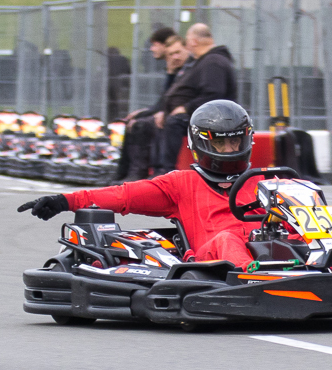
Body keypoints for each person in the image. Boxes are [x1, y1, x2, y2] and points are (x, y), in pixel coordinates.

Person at [18, 98, 262, 266]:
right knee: (227, 239)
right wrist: (64, 201)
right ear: (202, 143)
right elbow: (122, 196)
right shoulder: (181, 185)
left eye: (235, 142)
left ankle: (277, 277)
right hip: (214, 263)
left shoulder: (262, 181)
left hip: (265, 254)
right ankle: (254, 280)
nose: (230, 150)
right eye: (220, 143)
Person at [151, 23, 237, 170]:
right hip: (203, 116)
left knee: (174, 122)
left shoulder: (213, 62)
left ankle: (166, 170)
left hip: (214, 120)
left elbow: (213, 95)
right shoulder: (204, 61)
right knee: (159, 122)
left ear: (194, 42)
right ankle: (157, 170)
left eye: (187, 41)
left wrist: (185, 108)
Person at [117, 27, 183, 181]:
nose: (152, 49)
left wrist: (158, 112)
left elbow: (169, 100)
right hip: (166, 109)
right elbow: (164, 99)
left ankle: (139, 172)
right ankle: (124, 171)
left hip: (174, 114)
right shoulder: (173, 68)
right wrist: (144, 111)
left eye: (154, 44)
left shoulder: (182, 69)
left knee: (141, 125)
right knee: (132, 120)